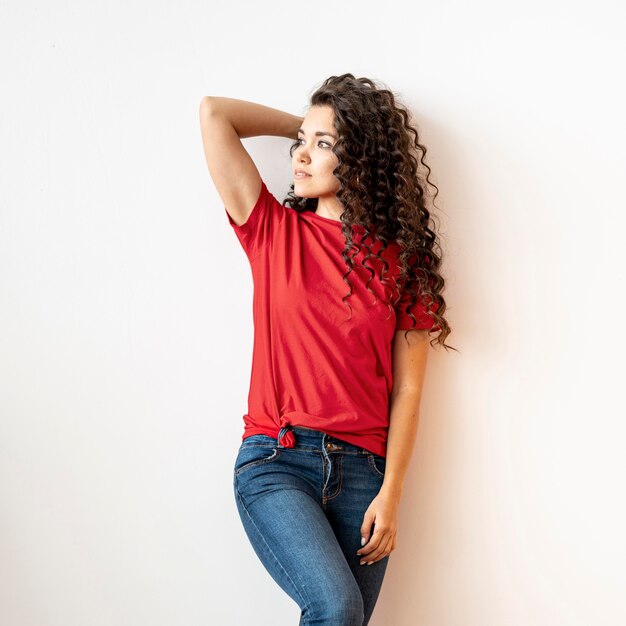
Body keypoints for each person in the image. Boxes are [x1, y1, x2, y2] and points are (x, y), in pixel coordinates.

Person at [199, 73, 454, 626]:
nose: (301, 156)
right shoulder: (272, 230)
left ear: (360, 158)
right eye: (301, 143)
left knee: (347, 618)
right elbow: (215, 113)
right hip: (277, 460)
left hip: (365, 475)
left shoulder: (402, 264)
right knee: (335, 608)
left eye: (324, 144)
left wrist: (392, 492)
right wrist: (309, 125)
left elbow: (409, 389)